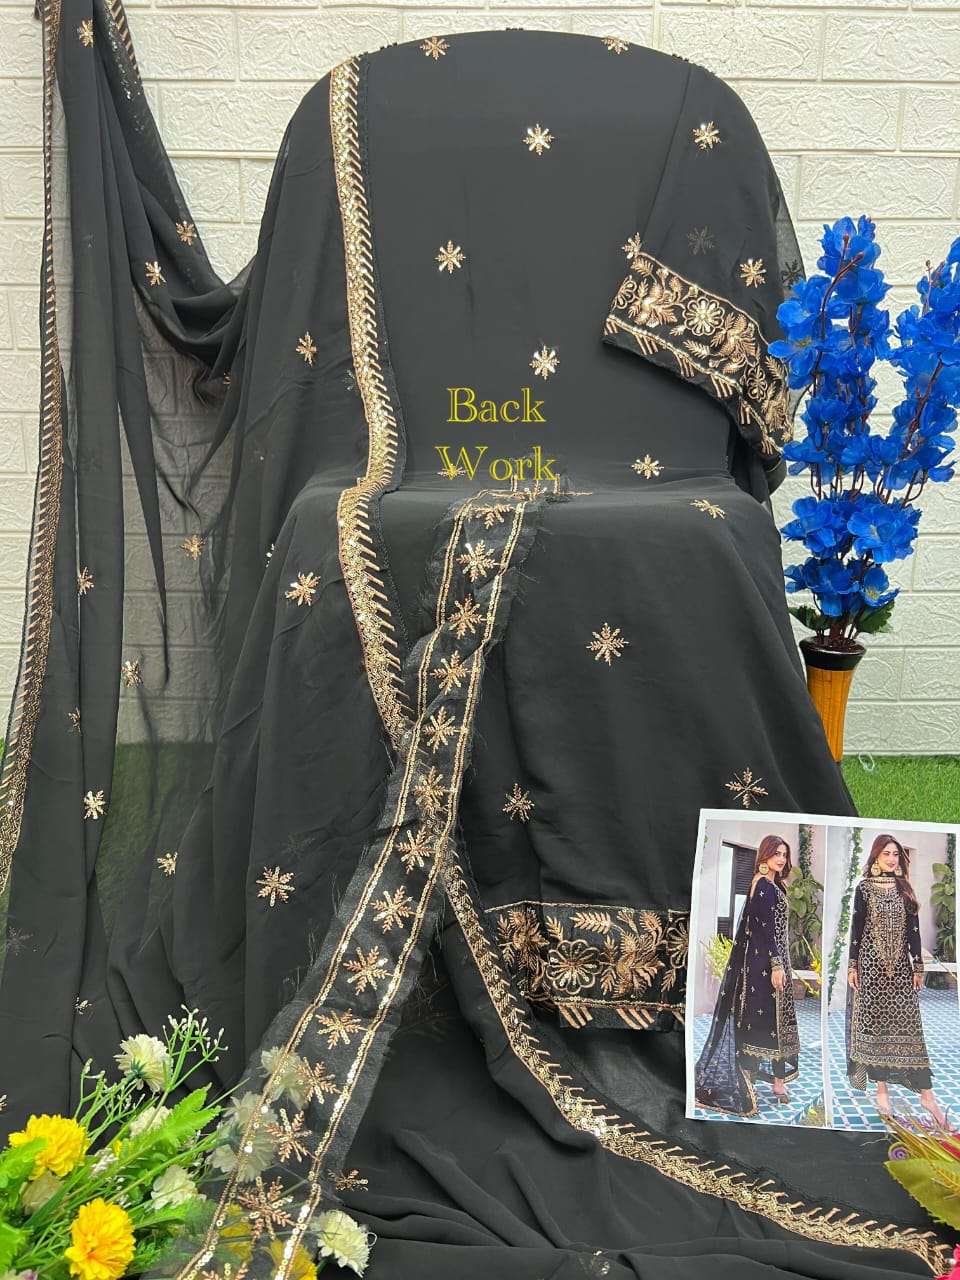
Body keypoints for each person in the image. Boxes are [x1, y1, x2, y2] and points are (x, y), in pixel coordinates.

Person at [0, 9, 950, 1276]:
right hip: (401, 460)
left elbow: (744, 407)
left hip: (655, 502)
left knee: (705, 533)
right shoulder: (350, 118)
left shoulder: (692, 117)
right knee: (344, 519)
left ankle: (789, 1046)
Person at [695, 835, 800, 1115]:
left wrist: (782, 963)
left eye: (784, 854)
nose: (781, 859)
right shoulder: (763, 885)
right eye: (777, 853)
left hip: (774, 961)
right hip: (765, 964)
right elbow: (765, 929)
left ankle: (772, 1080)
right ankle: (761, 1079)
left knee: (774, 1018)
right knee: (764, 1019)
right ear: (765, 855)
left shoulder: (774, 885)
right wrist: (776, 965)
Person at [847, 834, 946, 1125]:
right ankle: (882, 1091)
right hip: (870, 969)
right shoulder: (864, 888)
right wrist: (853, 966)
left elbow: (914, 932)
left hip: (901, 970)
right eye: (886, 854)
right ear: (876, 857)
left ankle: (927, 1095)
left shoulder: (905, 888)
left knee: (909, 1030)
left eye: (896, 854)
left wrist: (918, 967)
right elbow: (857, 929)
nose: (892, 859)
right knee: (876, 1028)